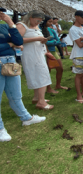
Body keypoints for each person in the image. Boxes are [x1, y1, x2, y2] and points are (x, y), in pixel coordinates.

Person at [0, 10, 46, 142]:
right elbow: (13, 43)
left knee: (16, 94)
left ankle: (26, 118)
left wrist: (10, 23)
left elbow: (19, 40)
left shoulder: (4, 26)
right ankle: (1, 129)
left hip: (10, 62)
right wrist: (9, 44)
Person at [17, 11, 54, 110]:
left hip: (39, 53)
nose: (38, 23)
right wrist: (36, 38)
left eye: (40, 21)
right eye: (37, 20)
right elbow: (17, 40)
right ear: (31, 17)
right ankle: (41, 102)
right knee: (42, 75)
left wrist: (43, 42)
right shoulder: (21, 26)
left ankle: (37, 97)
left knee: (39, 74)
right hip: (30, 55)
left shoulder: (36, 26)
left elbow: (38, 38)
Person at [41, 16, 69, 92]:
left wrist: (52, 42)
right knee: (47, 70)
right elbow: (42, 42)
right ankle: (48, 88)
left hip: (53, 51)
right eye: (49, 22)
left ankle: (58, 85)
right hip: (44, 52)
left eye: (51, 22)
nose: (51, 23)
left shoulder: (51, 30)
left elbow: (58, 40)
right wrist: (53, 42)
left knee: (60, 68)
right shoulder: (40, 30)